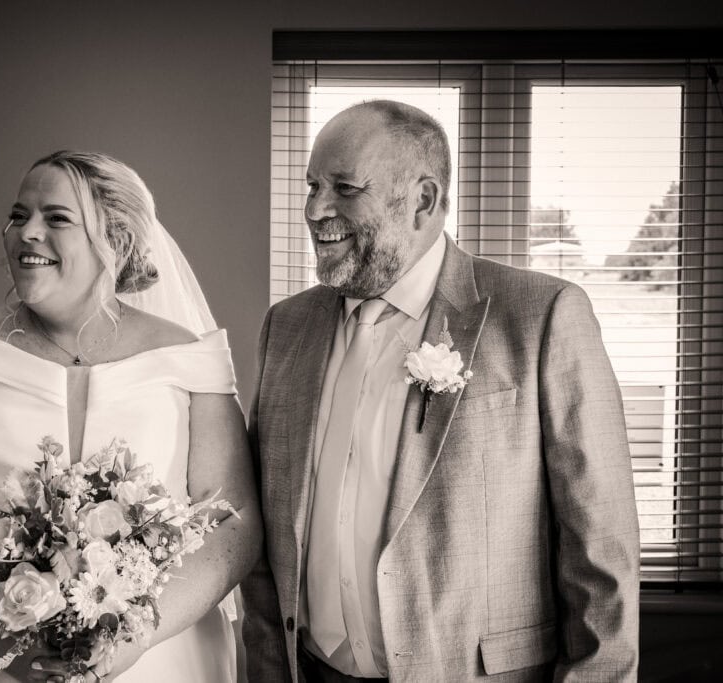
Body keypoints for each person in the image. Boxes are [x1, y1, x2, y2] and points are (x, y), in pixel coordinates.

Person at [241, 101, 640, 682]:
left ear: (424, 200)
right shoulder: (286, 327)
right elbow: (263, 537)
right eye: (312, 186)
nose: (314, 209)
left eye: (345, 188)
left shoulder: (542, 316)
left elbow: (601, 555)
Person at [0, 150, 261, 682]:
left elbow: (232, 524)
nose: (25, 232)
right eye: (18, 215)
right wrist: (5, 636)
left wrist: (129, 643)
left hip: (154, 660)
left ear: (115, 239)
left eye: (55, 218)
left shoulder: (192, 361)